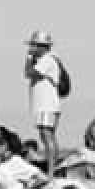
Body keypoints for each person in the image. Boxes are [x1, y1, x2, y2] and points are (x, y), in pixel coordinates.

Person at [23, 31, 65, 179]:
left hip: (47, 105)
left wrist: (29, 58)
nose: (31, 48)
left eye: (33, 45)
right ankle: (55, 169)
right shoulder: (45, 60)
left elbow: (28, 73)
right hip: (43, 105)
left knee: (48, 137)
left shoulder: (47, 60)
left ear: (41, 46)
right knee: (47, 136)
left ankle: (52, 171)